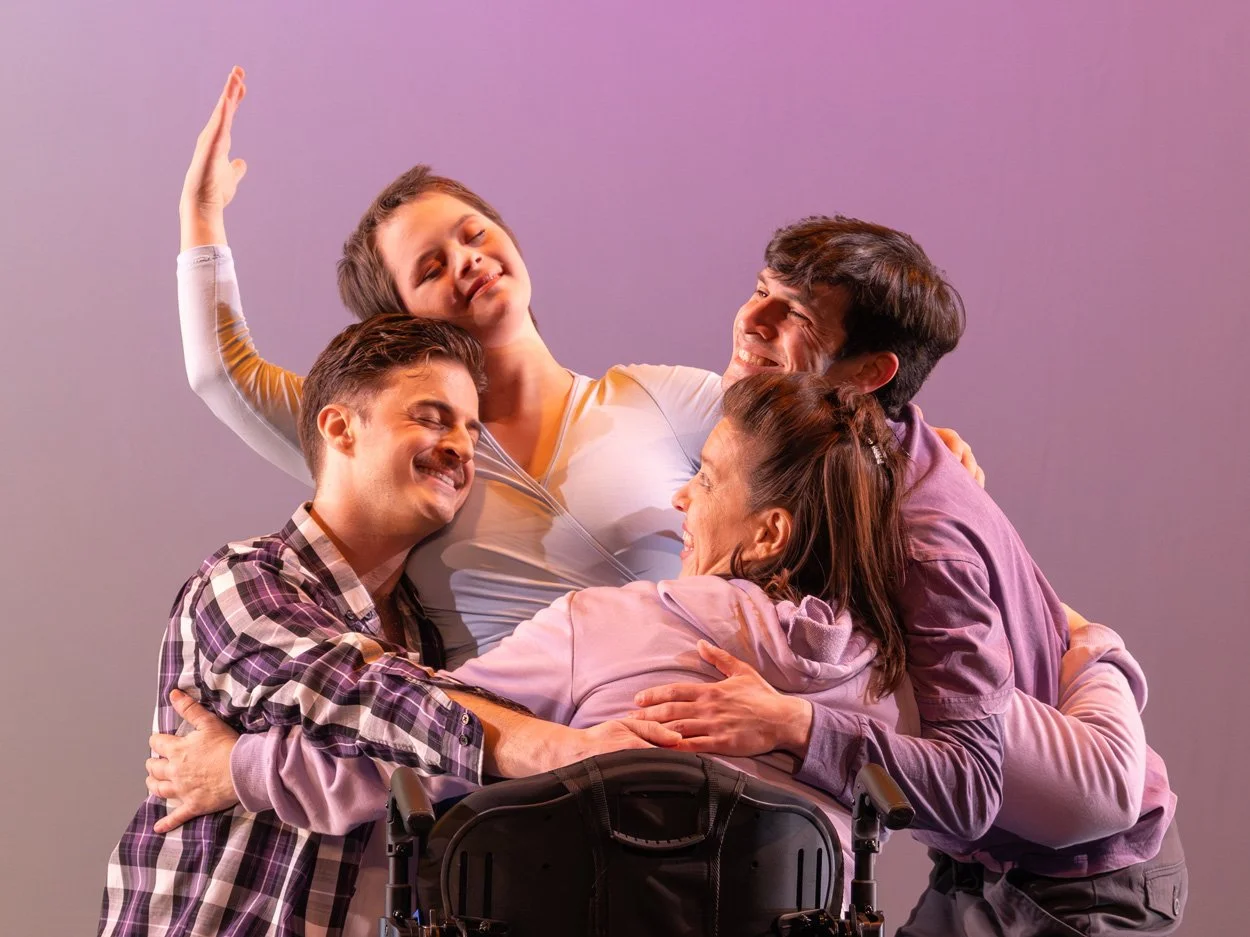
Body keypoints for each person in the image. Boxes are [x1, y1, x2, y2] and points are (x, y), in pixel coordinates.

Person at [149, 373, 1154, 926]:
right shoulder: (893, 678)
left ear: (763, 534)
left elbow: (405, 747)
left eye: (704, 475)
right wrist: (1092, 652)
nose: (681, 496)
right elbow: (1094, 785)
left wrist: (236, 767)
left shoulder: (605, 628)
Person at [628, 217, 1185, 934]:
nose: (752, 320)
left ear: (869, 374)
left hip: (1082, 878)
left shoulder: (919, 541)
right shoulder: (856, 449)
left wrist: (793, 723)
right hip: (987, 862)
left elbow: (973, 782)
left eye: (793, 312)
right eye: (760, 290)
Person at [99, 314, 679, 937]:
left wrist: (240, 766)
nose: (460, 445)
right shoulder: (241, 581)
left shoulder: (433, 638)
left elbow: (395, 765)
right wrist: (568, 751)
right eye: (431, 418)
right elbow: (363, 692)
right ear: (341, 427)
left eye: (470, 430)